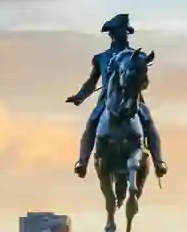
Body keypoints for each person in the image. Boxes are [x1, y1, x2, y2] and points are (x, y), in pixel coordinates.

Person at [65, 13, 168, 179]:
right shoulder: (101, 58)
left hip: (133, 100)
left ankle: (158, 162)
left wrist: (137, 85)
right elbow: (92, 82)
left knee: (148, 122)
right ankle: (82, 161)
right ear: (111, 34)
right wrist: (80, 96)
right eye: (115, 31)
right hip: (107, 100)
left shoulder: (138, 57)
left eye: (121, 31)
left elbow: (145, 82)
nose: (119, 34)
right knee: (92, 123)